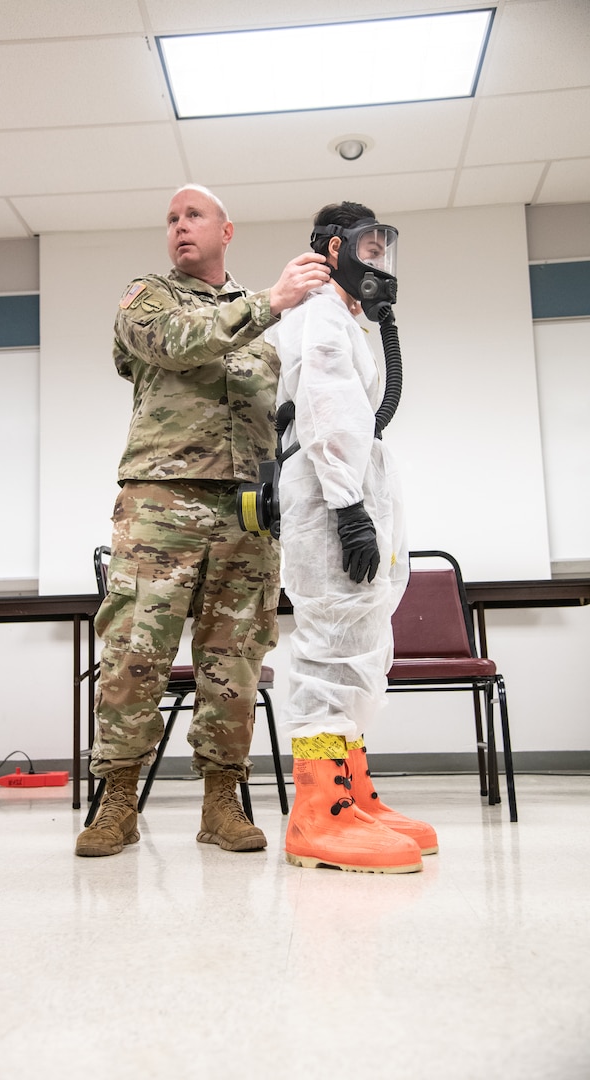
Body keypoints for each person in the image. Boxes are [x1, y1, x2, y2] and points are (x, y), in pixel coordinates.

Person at [76, 184, 330, 858]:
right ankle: (118, 802)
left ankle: (222, 801)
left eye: (194, 216)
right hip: (161, 504)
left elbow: (298, 406)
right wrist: (272, 302)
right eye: (170, 219)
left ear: (227, 231)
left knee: (234, 661)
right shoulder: (149, 297)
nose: (179, 228)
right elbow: (175, 344)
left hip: (247, 511)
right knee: (135, 653)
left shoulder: (270, 329)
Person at [266, 200, 438, 874]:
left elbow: (358, 416)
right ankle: (317, 812)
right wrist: (347, 508)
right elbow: (327, 409)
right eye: (368, 248)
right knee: (331, 650)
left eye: (383, 249)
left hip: (351, 493)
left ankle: (352, 794)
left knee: (361, 645)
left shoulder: (346, 322)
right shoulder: (319, 317)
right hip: (328, 503)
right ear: (330, 248)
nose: (378, 262)